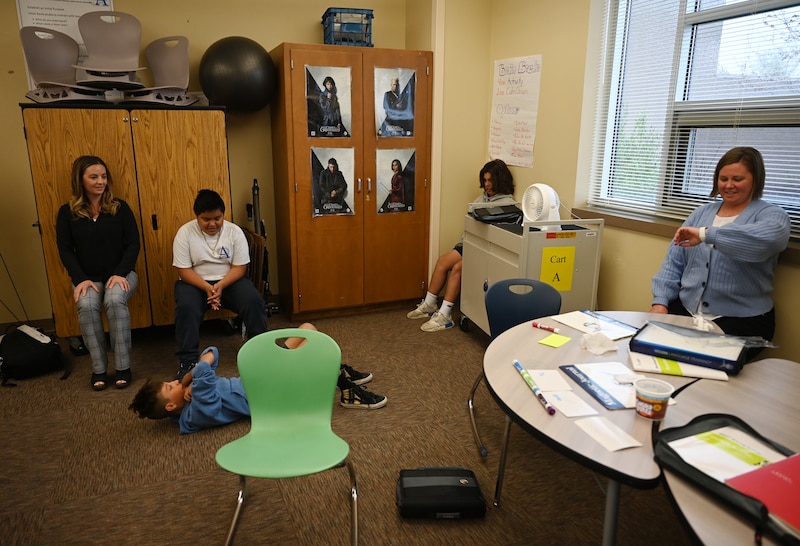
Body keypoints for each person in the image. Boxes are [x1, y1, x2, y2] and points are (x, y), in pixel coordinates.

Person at [650, 146, 791, 360]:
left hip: (742, 320)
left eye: (737, 178)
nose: (729, 185)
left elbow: (763, 241)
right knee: (655, 355)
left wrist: (706, 235)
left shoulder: (772, 216)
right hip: (687, 310)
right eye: (723, 178)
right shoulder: (700, 214)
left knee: (707, 371)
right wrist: (660, 302)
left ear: (755, 179)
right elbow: (673, 262)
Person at [128, 323, 387, 433]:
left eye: (172, 381)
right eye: (170, 386)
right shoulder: (198, 413)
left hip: (261, 381)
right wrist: (189, 380)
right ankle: (341, 383)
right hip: (270, 394)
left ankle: (337, 371)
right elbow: (206, 367)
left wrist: (188, 382)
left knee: (307, 331)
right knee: (310, 338)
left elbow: (212, 352)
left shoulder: (189, 404)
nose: (176, 381)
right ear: (171, 406)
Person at [56, 155, 140, 391]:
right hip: (86, 279)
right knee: (86, 304)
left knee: (114, 300)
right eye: (93, 177)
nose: (100, 181)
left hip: (122, 275)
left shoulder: (119, 208)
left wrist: (121, 272)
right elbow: (65, 250)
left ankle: (123, 368)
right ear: (80, 180)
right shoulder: (67, 213)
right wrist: (80, 278)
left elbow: (134, 243)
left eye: (103, 176)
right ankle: (99, 370)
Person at [408, 159, 516, 332]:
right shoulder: (481, 199)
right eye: (485, 181)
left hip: (484, 250)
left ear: (500, 181)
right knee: (443, 261)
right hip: (470, 243)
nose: (487, 185)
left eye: (490, 181)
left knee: (458, 267)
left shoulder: (507, 204)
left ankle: (445, 315)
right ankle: (430, 304)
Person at [172, 189, 266, 379]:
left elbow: (240, 267)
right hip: (195, 283)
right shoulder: (185, 233)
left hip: (230, 280)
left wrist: (221, 285)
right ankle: (188, 361)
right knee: (186, 308)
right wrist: (208, 287)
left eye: (217, 218)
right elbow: (184, 270)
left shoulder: (234, 232)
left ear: (223, 214)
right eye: (206, 219)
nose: (212, 224)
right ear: (197, 216)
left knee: (254, 301)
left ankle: (260, 352)